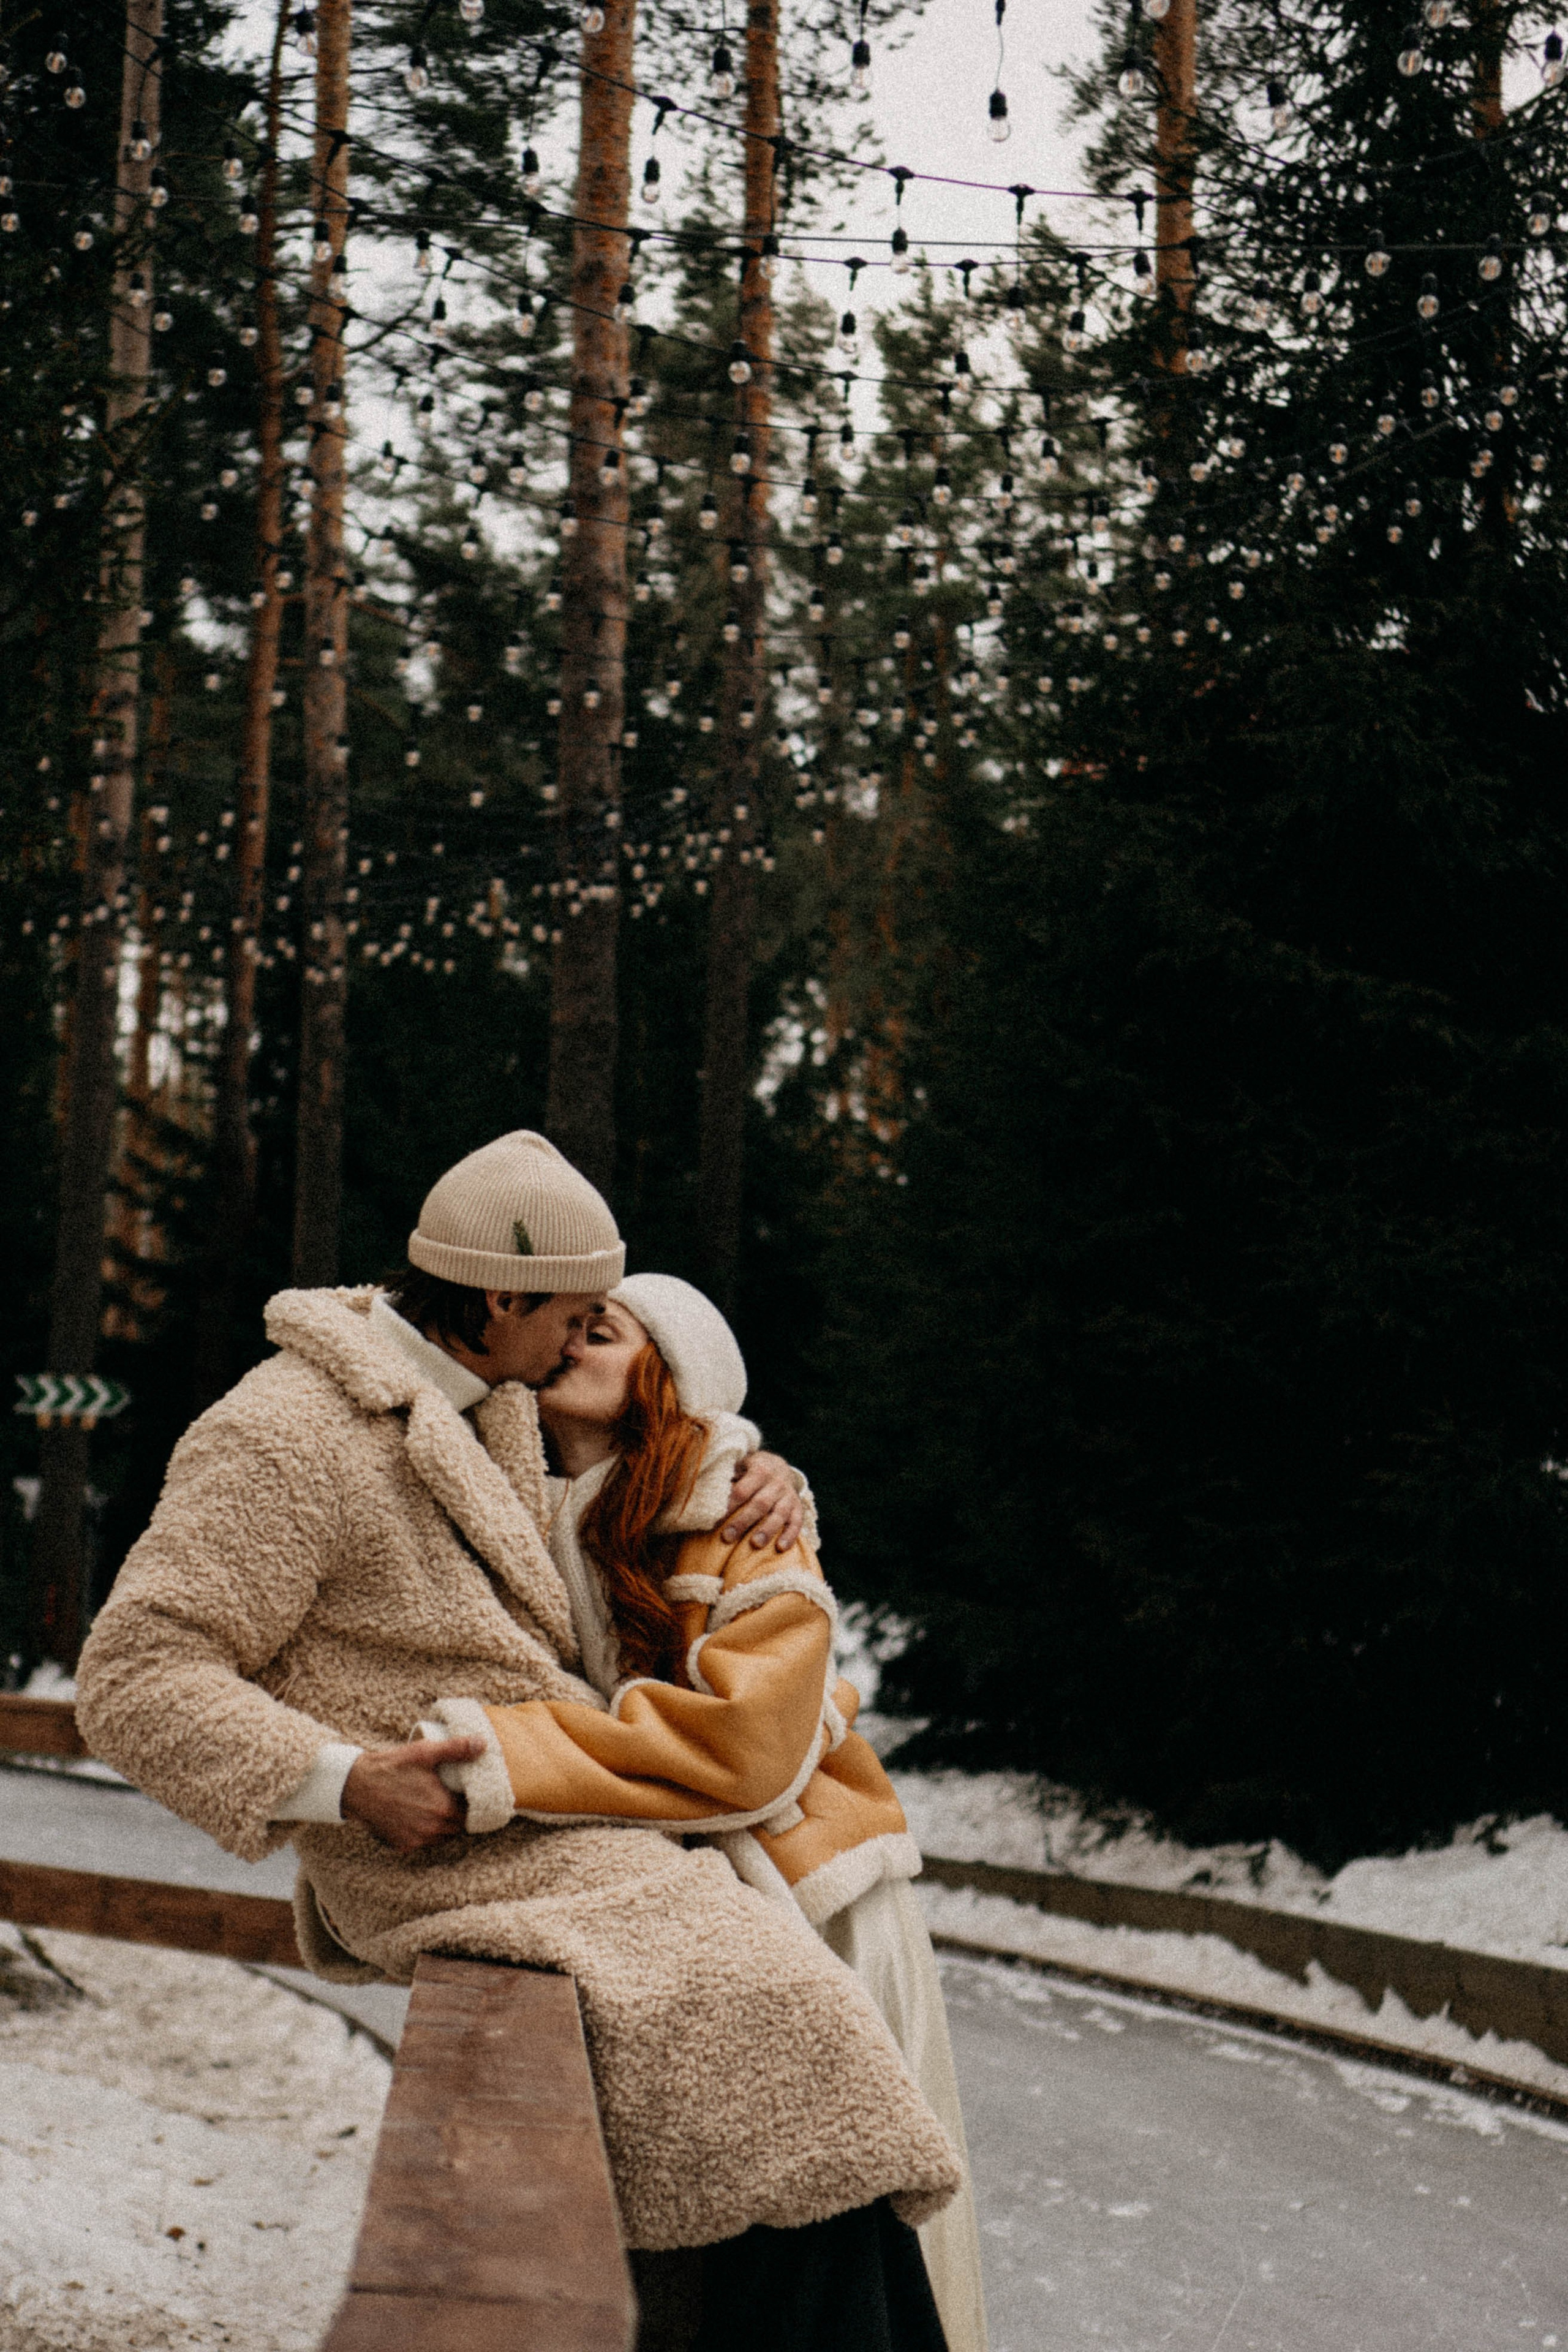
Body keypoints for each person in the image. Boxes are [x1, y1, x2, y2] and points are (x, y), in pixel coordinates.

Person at [75, 1132, 960, 2348]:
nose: (580, 1340)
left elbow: (649, 1472)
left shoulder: (481, 1401)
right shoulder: (284, 1431)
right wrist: (341, 1784)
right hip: (437, 1840)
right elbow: (133, 1676)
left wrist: (764, 1470)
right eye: (577, 1313)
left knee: (792, 2034)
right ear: (498, 1297)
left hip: (551, 1836)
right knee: (772, 2022)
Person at [418, 1273, 989, 2352]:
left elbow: (748, 1751)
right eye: (565, 1324)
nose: (571, 1341)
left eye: (605, 1331)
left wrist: (514, 1754)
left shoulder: (739, 1511)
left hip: (814, 1913)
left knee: (831, 2220)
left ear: (673, 1381)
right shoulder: (528, 1511)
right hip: (685, 1920)